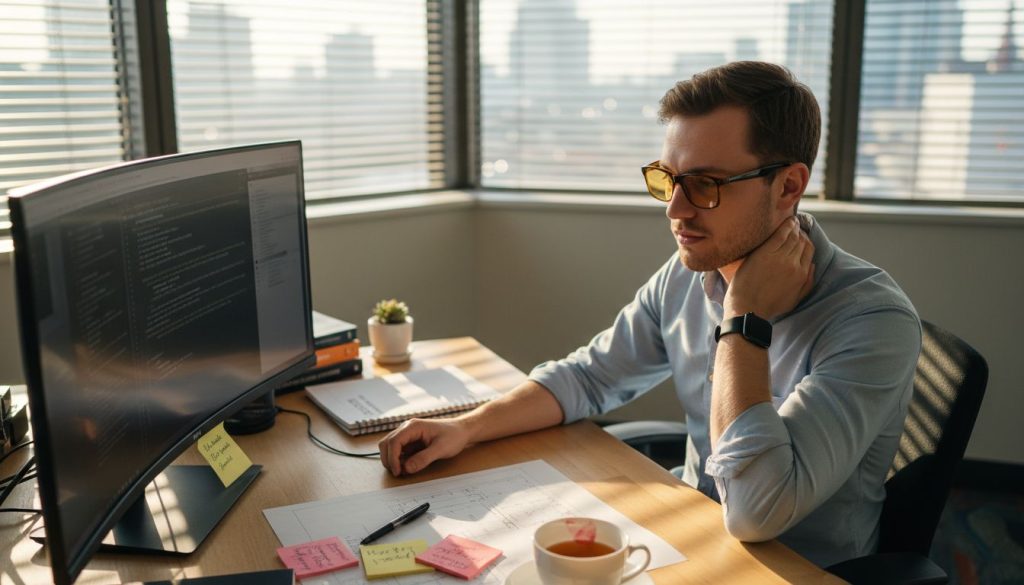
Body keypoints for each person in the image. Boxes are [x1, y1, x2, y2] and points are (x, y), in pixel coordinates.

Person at [378, 61, 921, 568]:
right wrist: (465, 428)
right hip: (693, 535)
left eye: (705, 185)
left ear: (789, 186)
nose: (675, 210)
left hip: (795, 569)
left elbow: (758, 512)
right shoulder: (693, 269)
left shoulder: (871, 321)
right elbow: (590, 377)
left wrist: (742, 321)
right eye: (669, 179)